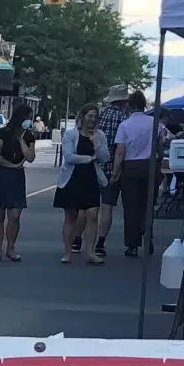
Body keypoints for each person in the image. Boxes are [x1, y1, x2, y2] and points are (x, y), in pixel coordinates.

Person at [54, 105, 107, 263]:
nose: (92, 119)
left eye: (95, 116)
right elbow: (69, 156)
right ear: (83, 117)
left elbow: (104, 157)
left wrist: (95, 144)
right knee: (71, 216)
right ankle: (67, 252)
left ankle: (90, 252)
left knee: (92, 215)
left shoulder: (100, 136)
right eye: (90, 116)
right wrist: (89, 158)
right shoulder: (71, 134)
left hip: (91, 178)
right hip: (72, 178)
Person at [109, 90, 159, 257]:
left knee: (131, 208)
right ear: (144, 104)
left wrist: (116, 172)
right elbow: (161, 144)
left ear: (130, 106)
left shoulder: (124, 125)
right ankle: (148, 235)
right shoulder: (154, 122)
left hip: (130, 167)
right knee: (147, 205)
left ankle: (132, 245)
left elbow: (120, 151)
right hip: (150, 166)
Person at [0, 99, 32, 260]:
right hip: (0, 176)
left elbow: (30, 157)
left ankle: (11, 248)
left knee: (15, 216)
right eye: (27, 117)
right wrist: (12, 165)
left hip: (17, 178)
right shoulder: (2, 133)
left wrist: (21, 140)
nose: (29, 121)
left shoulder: (29, 136)